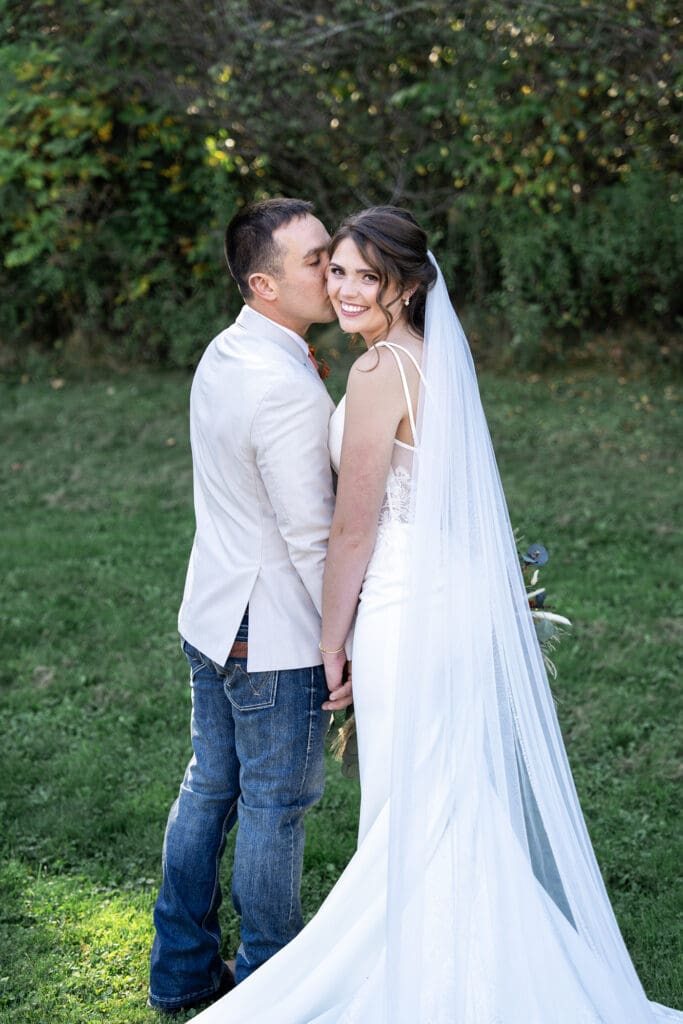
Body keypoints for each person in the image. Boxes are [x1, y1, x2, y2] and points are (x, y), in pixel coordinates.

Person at [190, 207, 682, 1022]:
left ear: (408, 285)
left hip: (401, 607)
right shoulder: (431, 359)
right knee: (449, 796)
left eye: (363, 275)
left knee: (413, 804)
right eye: (335, 269)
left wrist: (329, 643)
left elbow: (351, 527)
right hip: (446, 597)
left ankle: (427, 977)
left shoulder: (378, 371)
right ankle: (483, 962)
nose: (344, 288)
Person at [148, 197, 352, 1016]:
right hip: (270, 634)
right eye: (315, 261)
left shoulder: (229, 350)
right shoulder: (286, 390)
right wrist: (339, 645)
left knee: (209, 789)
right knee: (276, 808)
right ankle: (269, 985)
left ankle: (181, 972)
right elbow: (311, 539)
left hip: (211, 615)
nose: (333, 271)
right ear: (265, 284)